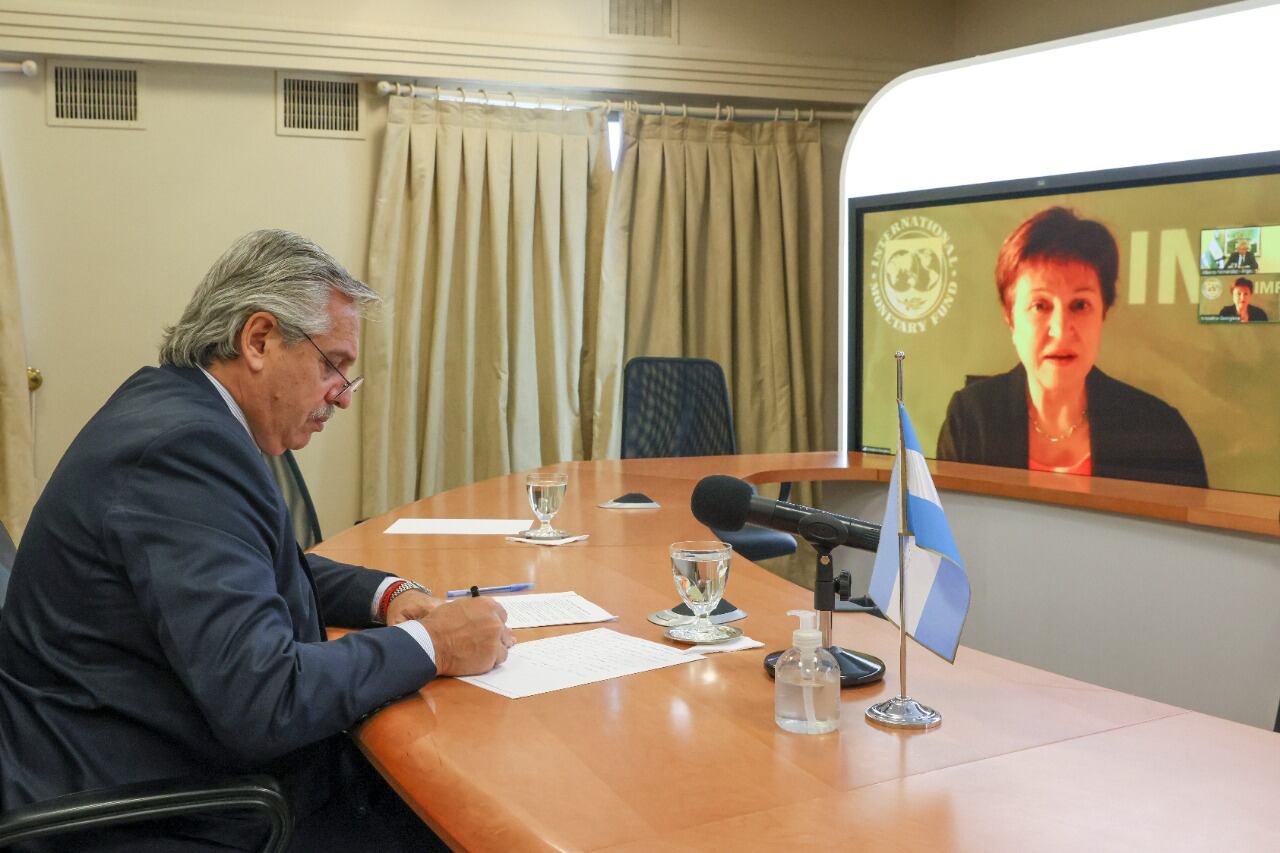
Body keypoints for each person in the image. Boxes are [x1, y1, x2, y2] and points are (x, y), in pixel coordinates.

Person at [0, 230, 515, 852]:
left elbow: (263, 567)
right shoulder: (184, 450)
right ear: (260, 339)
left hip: (144, 758)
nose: (342, 398)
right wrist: (436, 644)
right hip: (158, 811)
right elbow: (265, 700)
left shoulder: (175, 408)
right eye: (333, 366)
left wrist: (387, 596)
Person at [936, 207, 1208, 488]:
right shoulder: (970, 421)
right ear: (1010, 318)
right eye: (1040, 306)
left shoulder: (1161, 434)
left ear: (1102, 313)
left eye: (1079, 305)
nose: (1061, 329)